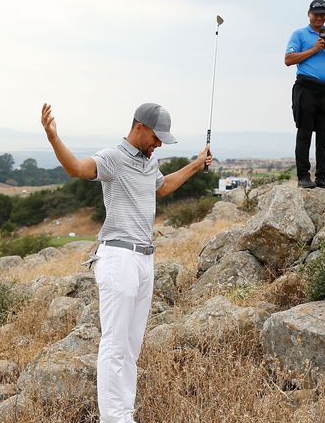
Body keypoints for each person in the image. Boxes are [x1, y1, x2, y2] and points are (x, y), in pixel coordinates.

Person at [40, 102, 211, 423]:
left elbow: (162, 187)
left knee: (131, 347)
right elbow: (77, 169)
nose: (159, 144)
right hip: (118, 258)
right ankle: (113, 419)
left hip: (145, 259)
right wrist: (53, 138)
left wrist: (196, 165)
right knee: (115, 344)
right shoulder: (113, 158)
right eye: (157, 137)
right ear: (139, 128)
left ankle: (124, 415)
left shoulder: (149, 162)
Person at [285, 0, 325, 189]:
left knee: (324, 136)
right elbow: (288, 59)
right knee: (304, 133)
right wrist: (314, 49)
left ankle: (322, 177)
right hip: (306, 88)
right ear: (309, 14)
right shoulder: (300, 34)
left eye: (322, 14)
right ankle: (303, 176)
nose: (319, 17)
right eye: (316, 14)